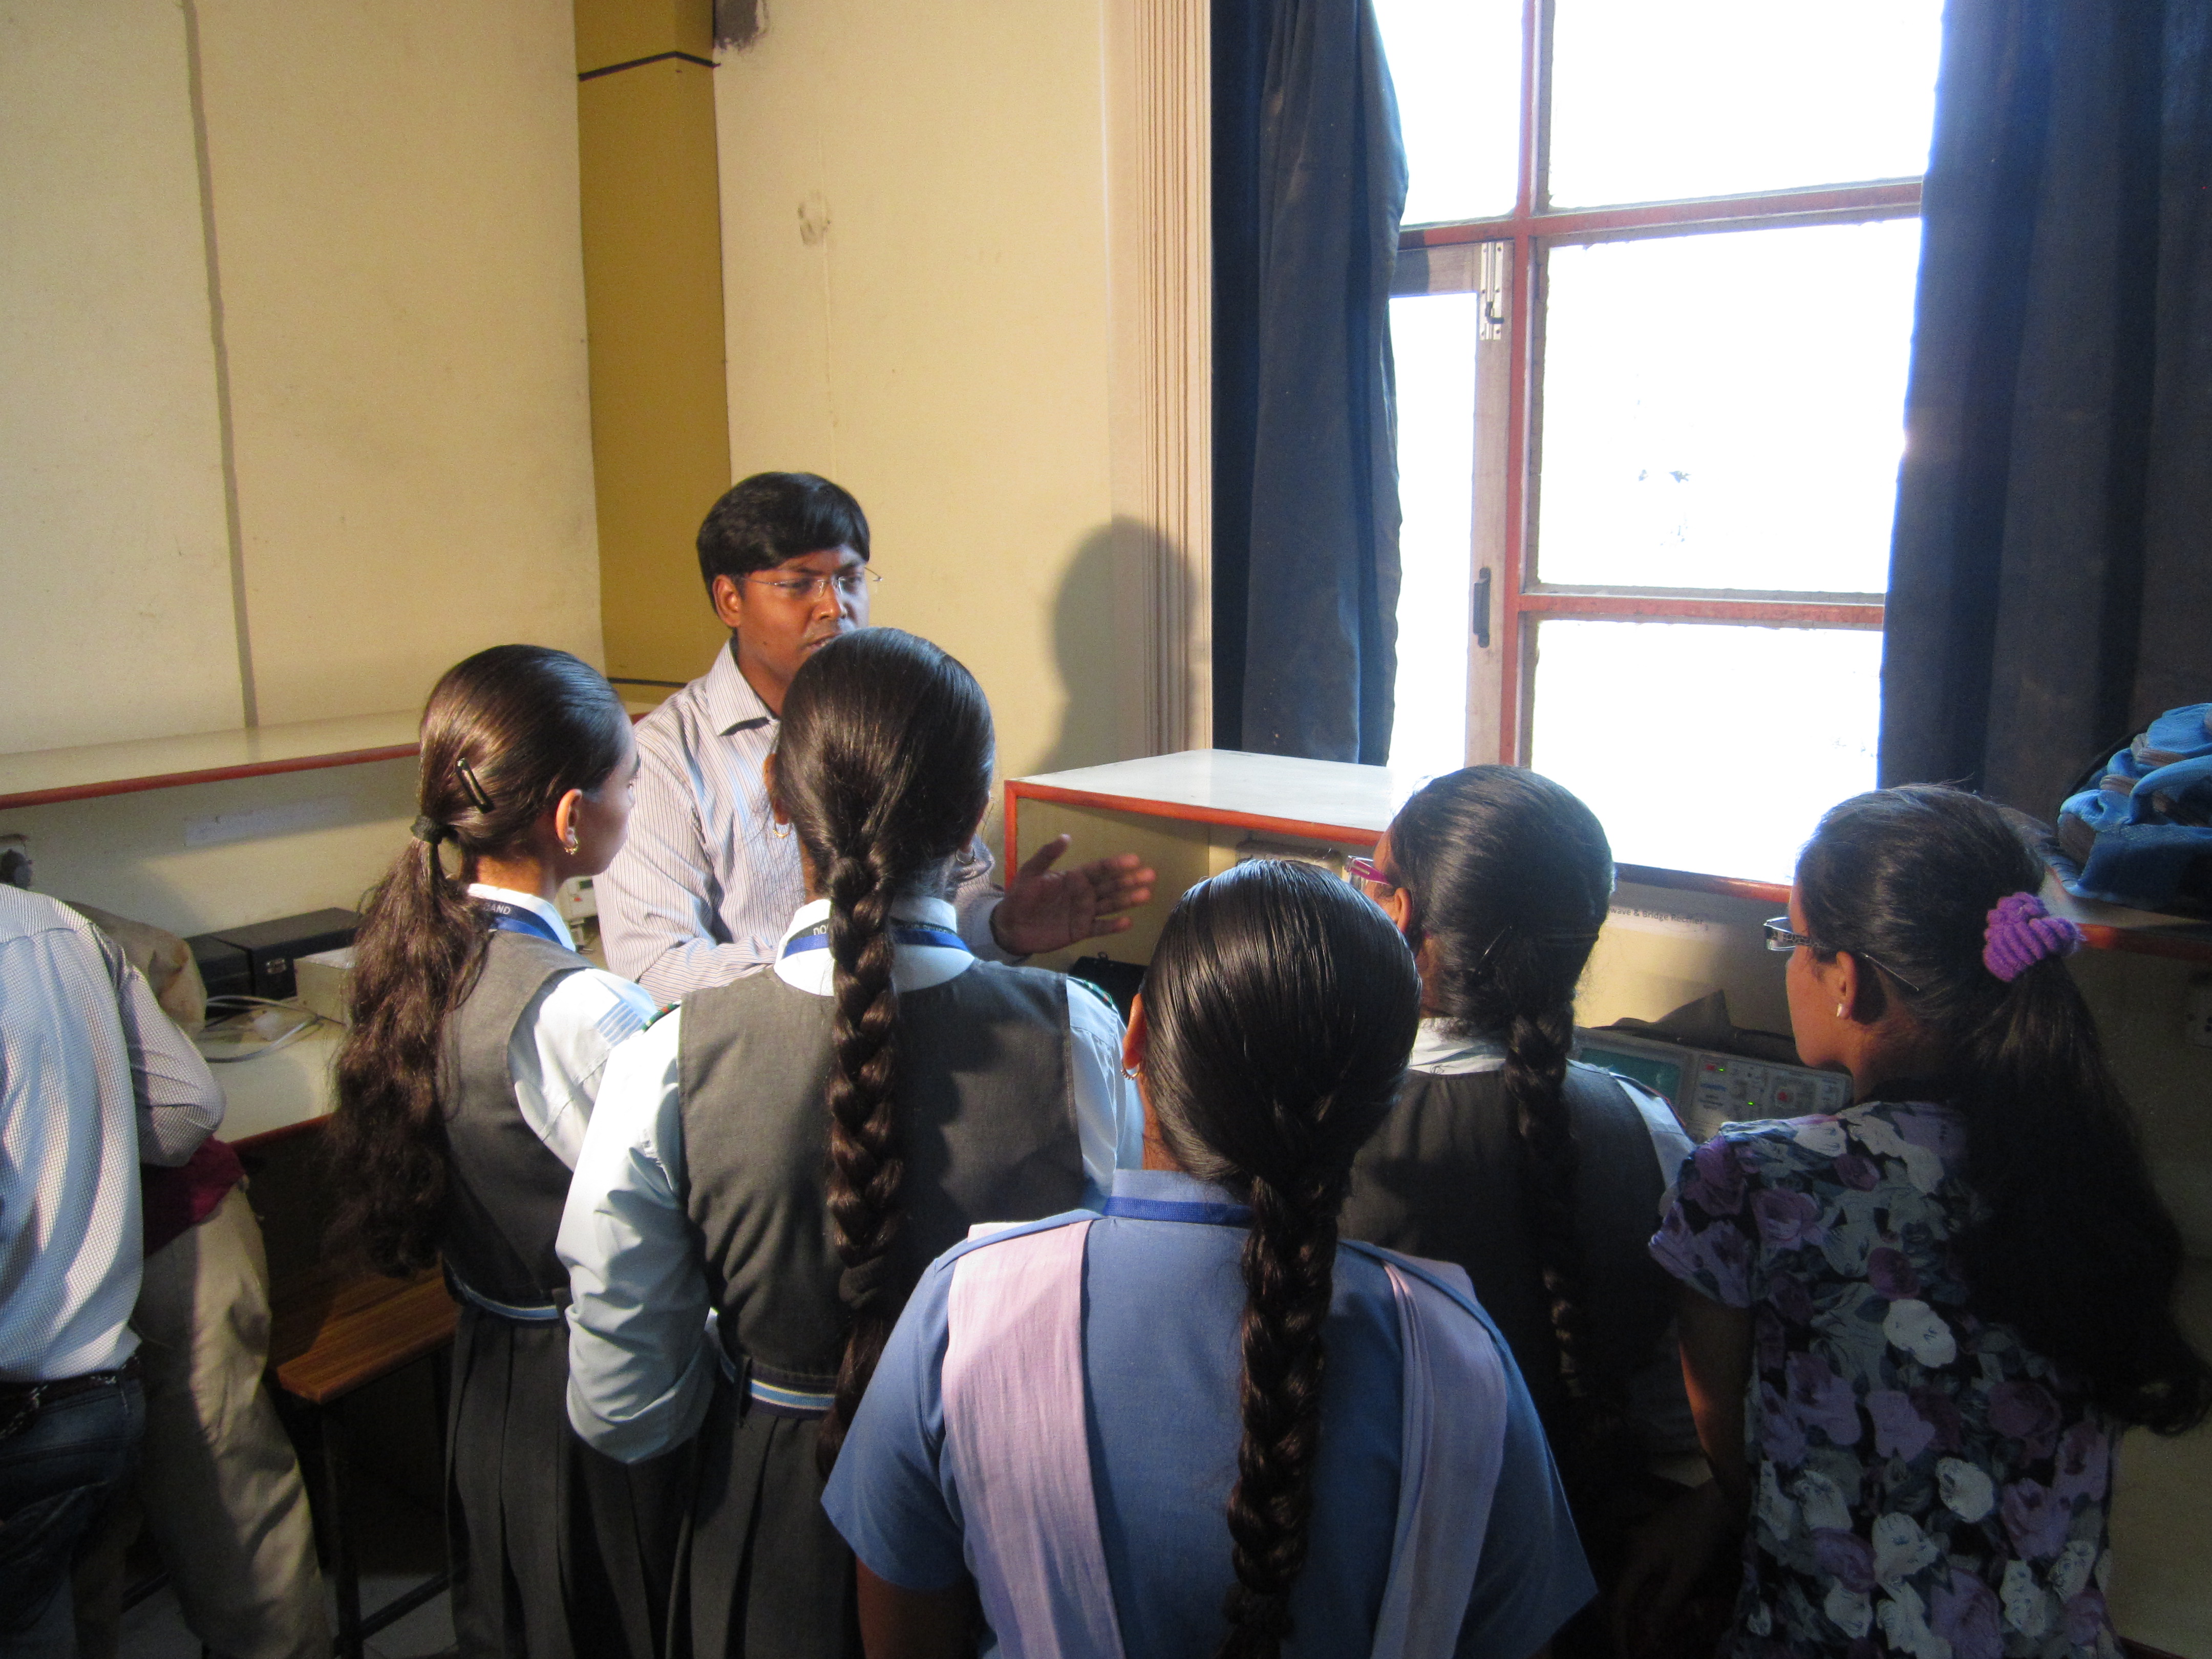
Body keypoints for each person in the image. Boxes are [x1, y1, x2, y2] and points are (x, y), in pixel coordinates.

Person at [825, 857, 1595, 1659]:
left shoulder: (967, 1311)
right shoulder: (1465, 1360)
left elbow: (902, 1636)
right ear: (1383, 1099)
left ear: (1136, 1037)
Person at [560, 627, 1144, 1658]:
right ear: (972, 815)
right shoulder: (1079, 1038)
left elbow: (625, 1406)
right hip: (999, 1510)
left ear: (777, 796)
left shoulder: (668, 1059)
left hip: (764, 1515)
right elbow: (1109, 1294)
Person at [1630, 785, 2212, 1658]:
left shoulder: (1747, 1182)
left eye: (1791, 940)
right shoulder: (2085, 1169)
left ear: (1847, 979)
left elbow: (1737, 1460)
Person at [327, 644, 683, 1659]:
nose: (634, 802)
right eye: (629, 784)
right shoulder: (582, 1011)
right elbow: (672, 1216)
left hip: (488, 1362)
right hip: (583, 1384)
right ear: (571, 817)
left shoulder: (419, 953)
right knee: (603, 1612)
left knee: (516, 1607)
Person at [1338, 768, 1704, 1647]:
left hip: (1353, 1577)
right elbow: (1673, 1409)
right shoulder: (1647, 1130)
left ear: (1397, 913)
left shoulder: (1312, 1119)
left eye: (1366, 875)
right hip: (1569, 1587)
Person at [597, 471, 1154, 1001]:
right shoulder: (666, 756)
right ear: (730, 600)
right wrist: (838, 955)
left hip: (921, 1036)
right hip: (766, 1050)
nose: (834, 607)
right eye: (799, 585)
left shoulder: (906, 711)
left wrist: (1000, 926)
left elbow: (954, 896)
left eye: (850, 580)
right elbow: (657, 970)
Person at [0, 885, 224, 1657]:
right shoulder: (58, 923)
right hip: (102, 1397)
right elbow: (188, 1109)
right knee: (72, 1612)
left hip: (18, 1414)